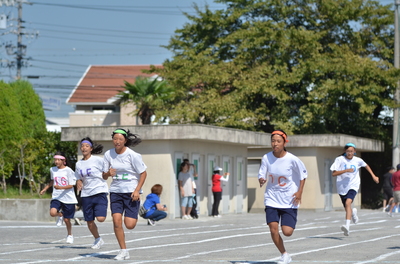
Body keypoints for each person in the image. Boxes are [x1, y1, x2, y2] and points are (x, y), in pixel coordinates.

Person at [258, 130, 307, 264]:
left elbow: (303, 176)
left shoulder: (292, 159)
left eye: (278, 141)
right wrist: (261, 179)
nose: (275, 144)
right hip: (272, 198)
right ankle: (284, 254)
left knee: (287, 232)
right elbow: (262, 173)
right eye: (273, 141)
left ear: (285, 142)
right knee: (273, 229)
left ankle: (286, 250)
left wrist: (299, 192)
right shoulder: (266, 157)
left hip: (288, 200)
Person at [102, 128, 147, 261]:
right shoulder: (108, 154)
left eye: (120, 139)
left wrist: (137, 190)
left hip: (131, 192)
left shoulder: (133, 155)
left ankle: (138, 208)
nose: (117, 141)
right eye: (115, 139)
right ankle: (123, 251)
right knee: (116, 222)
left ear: (125, 141)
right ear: (112, 140)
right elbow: (104, 176)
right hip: (115, 191)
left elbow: (143, 173)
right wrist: (108, 173)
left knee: (130, 225)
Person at [330, 143, 379, 236]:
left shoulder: (358, 160)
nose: (350, 153)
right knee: (347, 207)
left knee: (348, 203)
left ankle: (347, 227)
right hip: (341, 186)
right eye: (348, 151)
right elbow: (334, 173)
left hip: (353, 185)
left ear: (354, 152)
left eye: (352, 151)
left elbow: (366, 166)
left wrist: (373, 176)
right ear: (345, 151)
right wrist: (346, 170)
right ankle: (353, 213)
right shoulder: (339, 160)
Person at [75, 137, 108, 249]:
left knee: (101, 218)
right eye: (82, 146)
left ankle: (100, 210)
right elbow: (78, 177)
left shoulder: (98, 160)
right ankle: (98, 239)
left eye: (86, 146)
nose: (84, 148)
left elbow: (106, 173)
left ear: (91, 148)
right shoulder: (78, 164)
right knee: (89, 221)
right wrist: (78, 181)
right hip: (86, 194)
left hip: (99, 191)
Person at [40, 151, 77, 244]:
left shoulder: (69, 171)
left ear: (63, 160)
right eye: (55, 160)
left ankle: (70, 235)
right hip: (57, 196)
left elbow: (72, 185)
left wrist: (60, 187)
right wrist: (45, 188)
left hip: (68, 198)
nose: (56, 162)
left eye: (58, 160)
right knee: (52, 213)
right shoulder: (52, 169)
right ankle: (60, 215)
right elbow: (52, 181)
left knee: (67, 220)